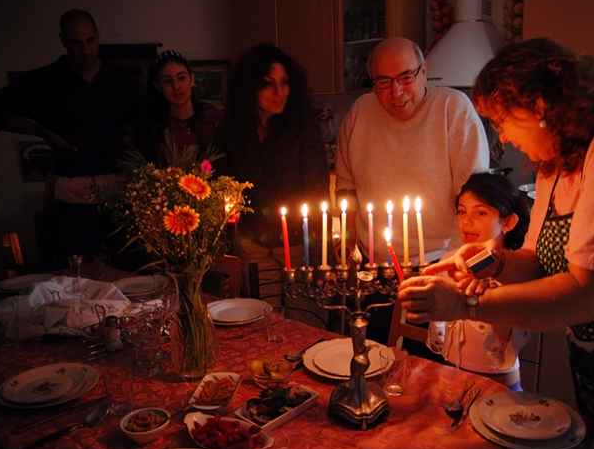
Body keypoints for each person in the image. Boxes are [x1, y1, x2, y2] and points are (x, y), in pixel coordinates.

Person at [399, 38, 594, 445]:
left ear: (540, 107)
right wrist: (495, 262)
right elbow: (538, 261)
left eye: (503, 121)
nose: (504, 139)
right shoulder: (558, 160)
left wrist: (462, 303)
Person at [335, 36, 489, 342]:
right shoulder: (359, 113)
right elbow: (346, 188)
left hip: (436, 265)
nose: (396, 92)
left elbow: (475, 197)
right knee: (372, 356)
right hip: (372, 267)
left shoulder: (453, 109)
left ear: (423, 70)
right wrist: (347, 249)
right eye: (383, 81)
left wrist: (456, 268)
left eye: (406, 77)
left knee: (426, 369)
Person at [0, 9, 138, 262]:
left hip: (119, 193)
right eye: (76, 43)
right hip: (71, 195)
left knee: (127, 266)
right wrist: (41, 131)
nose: (85, 50)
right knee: (78, 275)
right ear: (63, 41)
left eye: (91, 41)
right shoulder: (45, 81)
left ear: (98, 37)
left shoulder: (121, 79)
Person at [215, 43, 328, 304]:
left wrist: (322, 254)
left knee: (304, 317)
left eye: (284, 83)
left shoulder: (302, 129)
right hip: (251, 244)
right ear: (250, 87)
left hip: (300, 244)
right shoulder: (230, 132)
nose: (279, 92)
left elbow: (317, 190)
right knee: (264, 317)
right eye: (268, 84)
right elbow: (223, 187)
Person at [427, 173, 530, 390]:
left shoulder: (516, 273)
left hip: (497, 384)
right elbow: (439, 336)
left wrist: (484, 299)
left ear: (509, 222)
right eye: (462, 211)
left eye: (480, 212)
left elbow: (506, 344)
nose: (466, 221)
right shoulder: (449, 262)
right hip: (451, 377)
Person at [136, 50, 223, 168]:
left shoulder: (214, 118)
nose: (176, 87)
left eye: (181, 78)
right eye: (168, 81)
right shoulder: (152, 127)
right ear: (158, 86)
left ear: (191, 79)